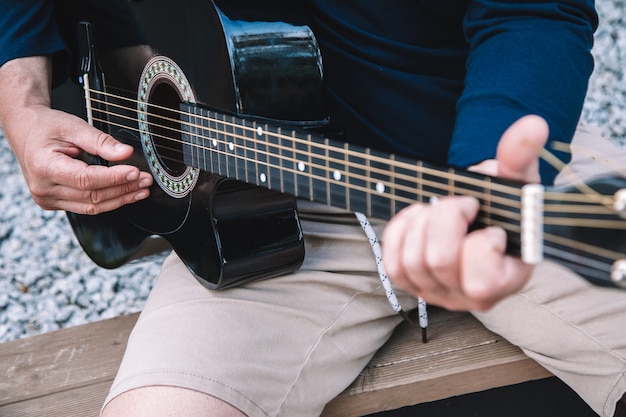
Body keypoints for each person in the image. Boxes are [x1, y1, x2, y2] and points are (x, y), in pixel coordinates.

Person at [1, 1, 624, 416]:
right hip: (248, 210)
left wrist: (489, 174)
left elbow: (536, 9)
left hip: (477, 161)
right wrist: (23, 102)